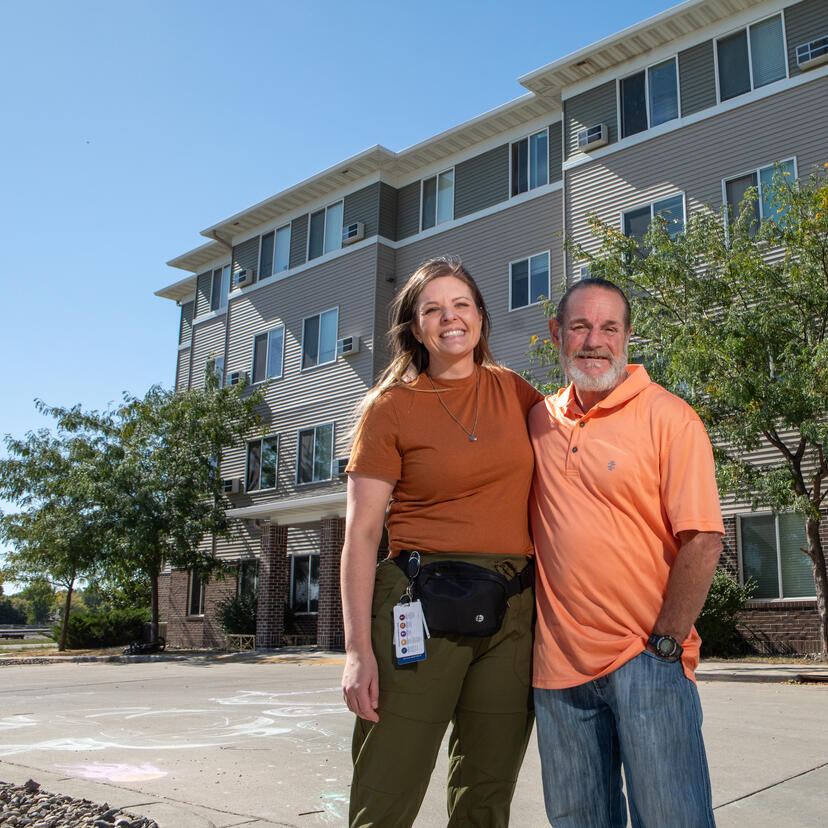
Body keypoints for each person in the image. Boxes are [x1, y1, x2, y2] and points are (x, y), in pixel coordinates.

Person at [341, 256, 542, 828]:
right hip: (418, 607)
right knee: (387, 790)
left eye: (461, 305)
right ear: (415, 327)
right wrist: (357, 653)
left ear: (480, 316)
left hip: (513, 612)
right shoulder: (390, 409)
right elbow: (360, 536)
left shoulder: (517, 393)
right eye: (432, 309)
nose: (450, 318)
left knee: (487, 793)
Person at [528, 277, 724, 827]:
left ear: (628, 336)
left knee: (672, 819)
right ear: (556, 334)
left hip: (647, 659)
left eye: (609, 328)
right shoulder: (539, 419)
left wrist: (666, 644)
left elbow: (703, 540)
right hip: (558, 673)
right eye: (580, 326)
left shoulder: (671, 417)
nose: (595, 341)